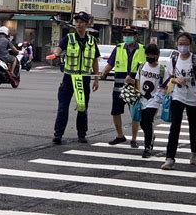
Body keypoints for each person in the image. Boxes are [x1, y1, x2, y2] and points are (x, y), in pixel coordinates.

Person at [47, 11, 100, 144]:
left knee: (82, 107)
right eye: (77, 22)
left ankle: (82, 134)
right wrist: (55, 54)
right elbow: (59, 48)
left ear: (87, 24)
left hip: (84, 78)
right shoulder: (69, 38)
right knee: (63, 107)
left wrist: (96, 79)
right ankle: (58, 135)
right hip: (69, 77)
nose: (79, 24)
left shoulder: (92, 41)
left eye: (82, 22)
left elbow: (94, 60)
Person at [161, 32, 196, 170]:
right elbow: (170, 77)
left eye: (185, 44)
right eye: (180, 44)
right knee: (175, 126)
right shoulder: (174, 59)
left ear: (190, 45)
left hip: (193, 97)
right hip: (178, 96)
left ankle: (194, 152)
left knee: (193, 125)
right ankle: (169, 158)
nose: (183, 47)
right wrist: (176, 80)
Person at [102, 26, 146, 148]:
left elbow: (147, 68)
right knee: (116, 111)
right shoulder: (119, 48)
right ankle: (120, 136)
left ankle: (134, 138)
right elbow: (110, 63)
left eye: (129, 34)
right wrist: (104, 72)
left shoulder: (143, 49)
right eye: (125, 34)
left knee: (135, 114)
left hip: (134, 86)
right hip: (119, 86)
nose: (127, 36)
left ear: (136, 36)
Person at [126, 44, 169, 158]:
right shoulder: (142, 67)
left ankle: (147, 147)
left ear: (157, 56)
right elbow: (137, 81)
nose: (150, 57)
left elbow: (165, 86)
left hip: (154, 100)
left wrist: (159, 98)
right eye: (148, 55)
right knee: (143, 123)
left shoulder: (161, 70)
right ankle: (151, 137)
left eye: (152, 55)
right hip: (142, 98)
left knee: (148, 121)